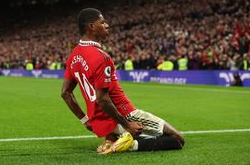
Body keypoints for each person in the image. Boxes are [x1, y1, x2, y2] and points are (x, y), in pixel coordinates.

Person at [61, 8, 184, 155]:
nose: (107, 25)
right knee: (177, 139)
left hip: (99, 120)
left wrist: (85, 120)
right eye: (102, 22)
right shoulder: (101, 57)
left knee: (155, 135)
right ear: (92, 27)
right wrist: (127, 125)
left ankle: (112, 138)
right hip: (125, 114)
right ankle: (130, 144)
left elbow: (65, 93)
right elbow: (103, 99)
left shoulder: (73, 56)